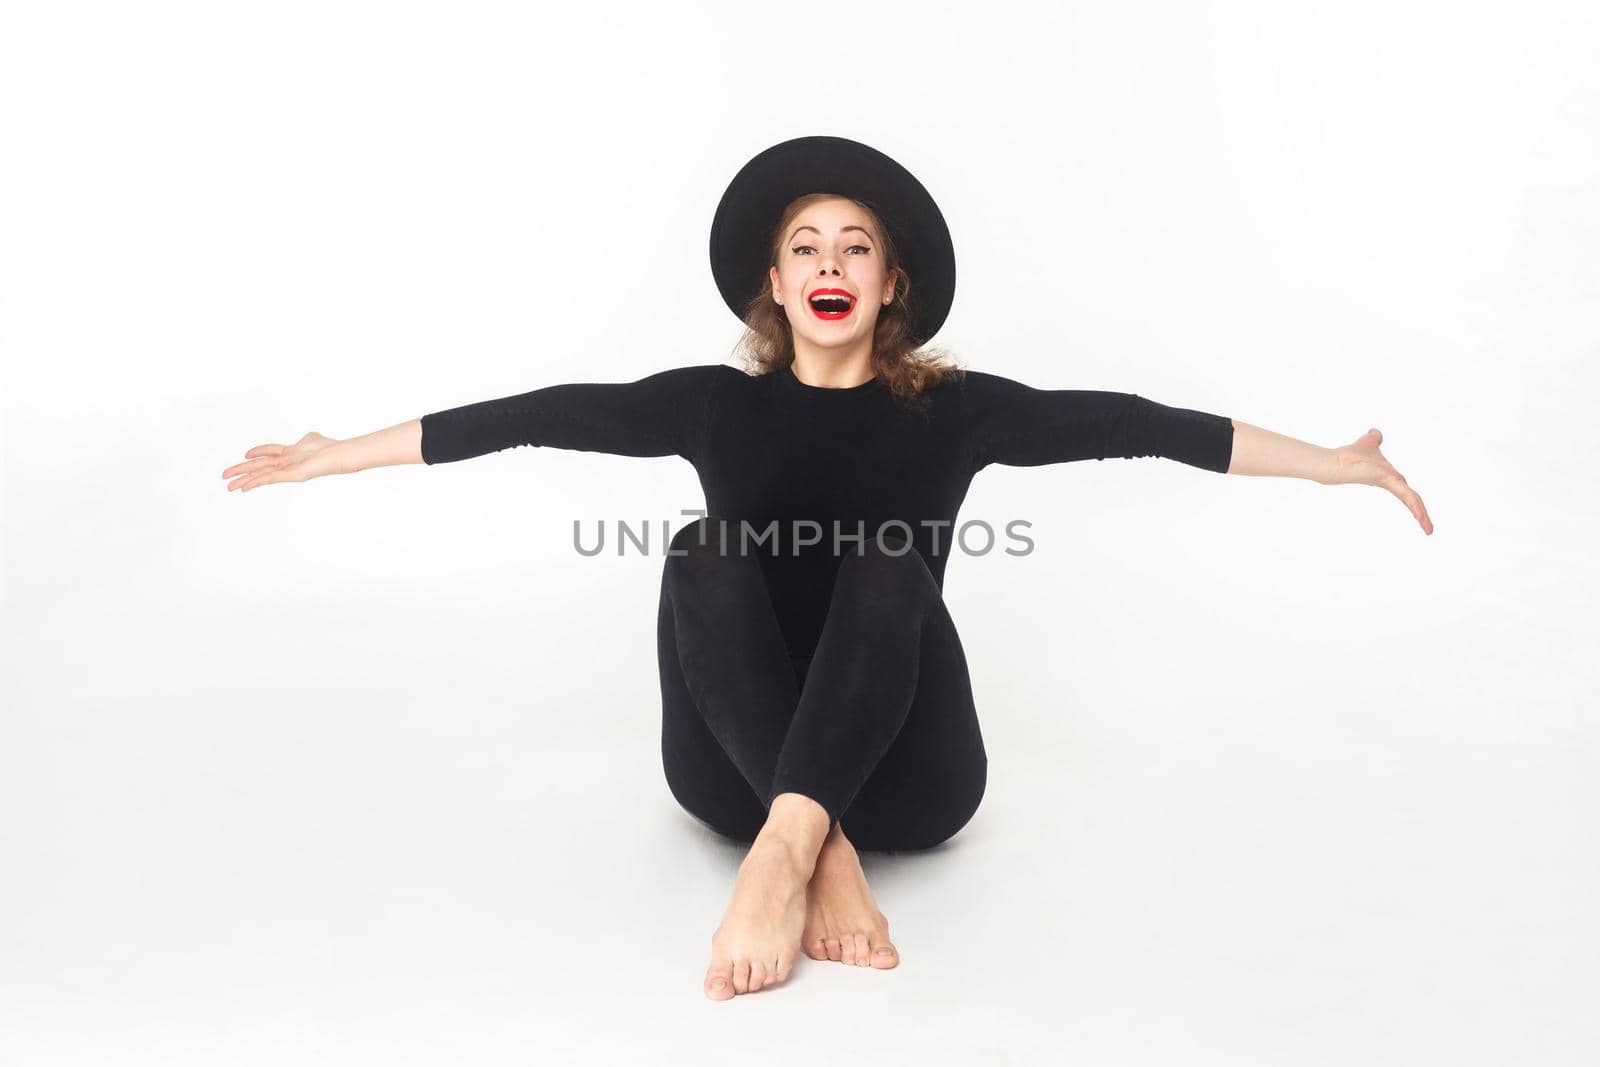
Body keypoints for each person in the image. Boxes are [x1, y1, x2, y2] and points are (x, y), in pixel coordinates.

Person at [221, 136, 1433, 1002]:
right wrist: (342, 454)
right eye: (805, 245)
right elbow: (539, 410)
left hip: (917, 778)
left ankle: (798, 847)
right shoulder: (711, 404)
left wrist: (1334, 462)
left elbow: (1145, 421)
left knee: (886, 558)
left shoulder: (955, 413)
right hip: (728, 774)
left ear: (890, 283)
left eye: (856, 244)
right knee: (700, 549)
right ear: (777, 283)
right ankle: (816, 850)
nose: (829, 260)